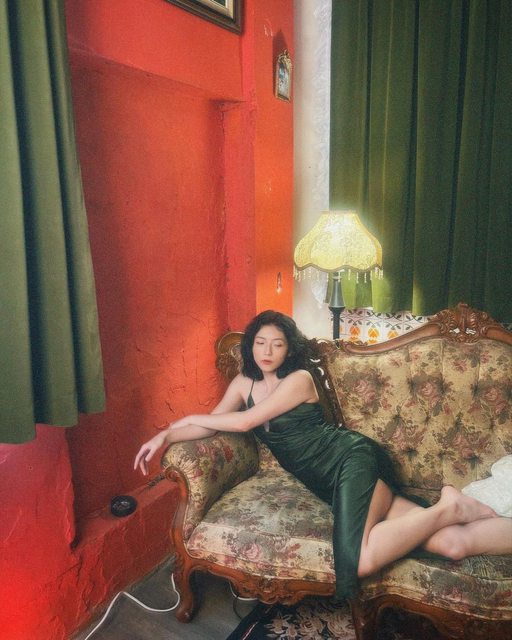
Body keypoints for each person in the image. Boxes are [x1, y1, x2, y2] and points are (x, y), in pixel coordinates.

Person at [134, 310, 512, 600]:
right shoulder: (242, 382)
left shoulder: (299, 380)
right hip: (328, 481)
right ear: (250, 345)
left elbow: (246, 420)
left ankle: (450, 507)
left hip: (350, 460)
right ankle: (456, 512)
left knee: (360, 560)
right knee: (451, 544)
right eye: (260, 342)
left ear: (290, 348)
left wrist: (185, 417)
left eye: (277, 344)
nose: (267, 351)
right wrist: (166, 435)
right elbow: (212, 426)